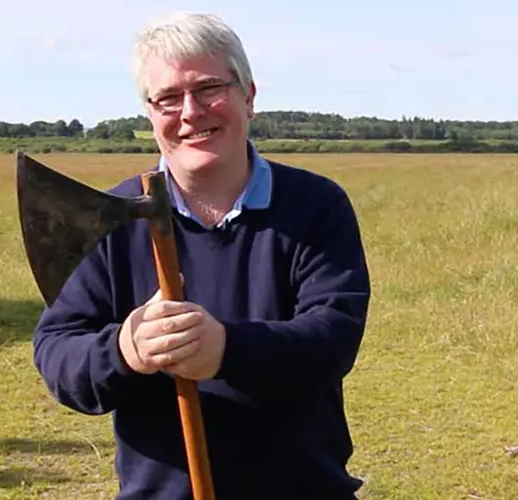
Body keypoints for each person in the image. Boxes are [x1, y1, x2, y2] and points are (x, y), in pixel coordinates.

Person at [31, 11, 371, 500]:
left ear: (248, 97)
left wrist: (226, 349)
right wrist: (126, 349)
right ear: (149, 114)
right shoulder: (113, 222)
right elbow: (58, 352)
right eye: (168, 98)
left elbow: (333, 336)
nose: (191, 112)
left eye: (210, 88)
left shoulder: (315, 205)